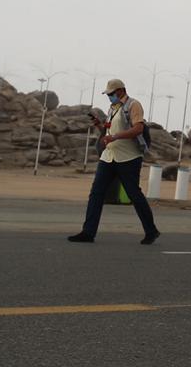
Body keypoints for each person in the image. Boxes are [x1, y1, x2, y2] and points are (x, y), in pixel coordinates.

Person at [68, 79, 160, 245]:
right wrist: (99, 125)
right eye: (108, 94)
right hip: (109, 156)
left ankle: (151, 230)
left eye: (111, 94)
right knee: (96, 193)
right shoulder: (112, 108)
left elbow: (138, 128)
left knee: (134, 194)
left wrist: (116, 136)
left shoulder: (133, 105)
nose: (109, 96)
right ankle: (88, 232)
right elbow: (109, 131)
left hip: (128, 158)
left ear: (120, 91)